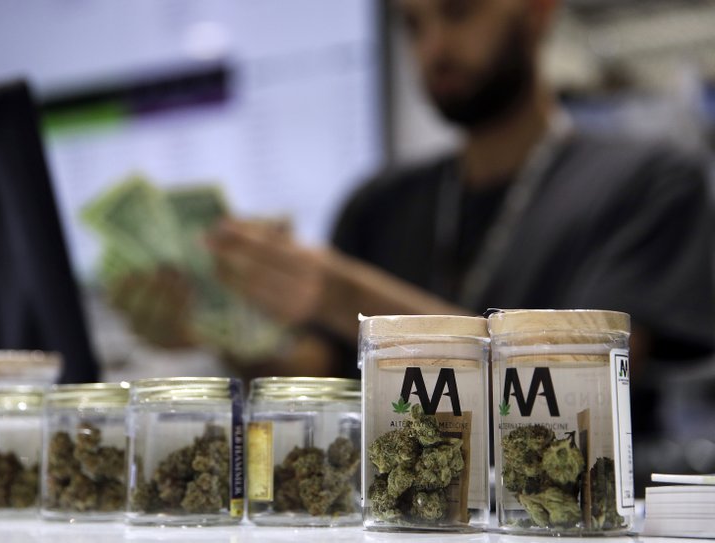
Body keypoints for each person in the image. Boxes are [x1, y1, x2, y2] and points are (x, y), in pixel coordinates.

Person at [207, 0, 715, 455]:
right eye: (413, 25)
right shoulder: (379, 205)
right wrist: (217, 327)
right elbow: (323, 380)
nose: (435, 48)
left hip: (562, 509)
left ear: (538, 10)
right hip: (403, 511)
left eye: (459, 12)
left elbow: (580, 387)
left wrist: (339, 294)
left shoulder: (647, 183)